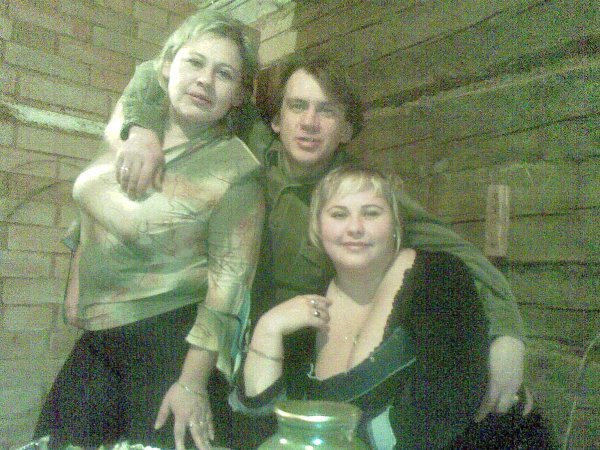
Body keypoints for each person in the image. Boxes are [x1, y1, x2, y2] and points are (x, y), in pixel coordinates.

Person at [106, 57, 528, 447]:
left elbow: (462, 258)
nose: (309, 123)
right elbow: (157, 70)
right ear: (276, 119)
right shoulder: (248, 149)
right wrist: (141, 132)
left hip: (290, 363)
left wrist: (507, 337)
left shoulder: (356, 197)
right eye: (297, 106)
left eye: (326, 111)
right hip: (197, 337)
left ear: (346, 130)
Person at [34, 11, 264, 450]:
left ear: (237, 96)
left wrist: (192, 383)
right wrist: (76, 286)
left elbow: (229, 289)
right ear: (168, 67)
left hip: (171, 344)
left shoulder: (238, 171)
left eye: (224, 74)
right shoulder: (133, 123)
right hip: (99, 339)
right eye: (194, 62)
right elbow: (93, 207)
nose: (205, 81)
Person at [232, 165, 552, 449]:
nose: (355, 227)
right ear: (317, 229)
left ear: (396, 224)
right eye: (338, 214)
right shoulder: (307, 309)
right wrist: (268, 328)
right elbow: (267, 425)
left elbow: (438, 417)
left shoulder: (438, 276)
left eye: (371, 213)